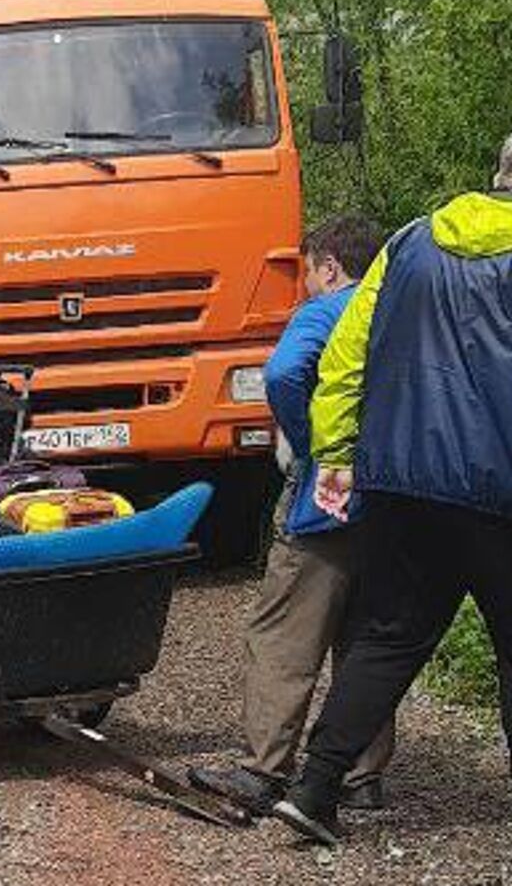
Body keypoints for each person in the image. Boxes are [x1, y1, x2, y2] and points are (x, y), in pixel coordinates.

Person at [273, 122, 512, 862]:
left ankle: (314, 791)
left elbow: (347, 355)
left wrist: (333, 452)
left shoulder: (410, 241)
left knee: (390, 635)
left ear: (500, 172)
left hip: (402, 482)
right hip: (507, 493)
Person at [188, 215, 394, 817]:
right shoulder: (403, 313)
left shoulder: (327, 312)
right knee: (368, 640)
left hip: (326, 506)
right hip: (396, 507)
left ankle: (264, 771)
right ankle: (362, 777)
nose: (304, 284)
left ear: (329, 267)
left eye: (307, 271)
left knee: (284, 634)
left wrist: (310, 445)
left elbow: (281, 374)